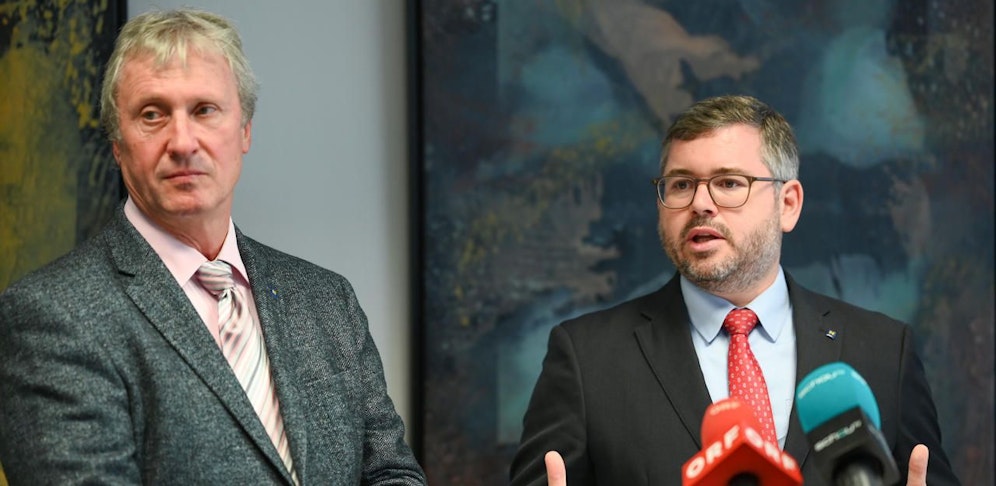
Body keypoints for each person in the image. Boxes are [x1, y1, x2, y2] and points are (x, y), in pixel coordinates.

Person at [0, 9, 426, 485]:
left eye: (204, 110)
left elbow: (393, 473)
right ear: (117, 144)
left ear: (245, 131)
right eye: (152, 114)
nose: (183, 142)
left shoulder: (328, 300)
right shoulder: (51, 316)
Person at [509, 95, 960, 485]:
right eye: (681, 185)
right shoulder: (586, 358)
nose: (700, 203)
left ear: (788, 204)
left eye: (728, 183)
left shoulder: (884, 351)